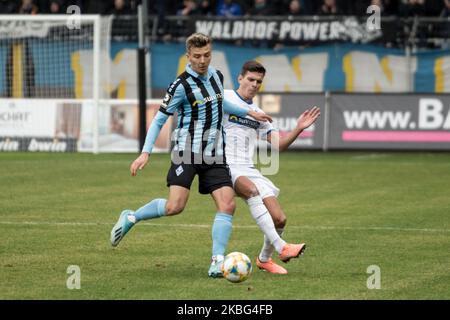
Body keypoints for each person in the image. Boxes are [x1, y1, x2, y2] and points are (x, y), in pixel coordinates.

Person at [110, 33, 273, 278]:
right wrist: (145, 153)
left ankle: (217, 262)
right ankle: (132, 216)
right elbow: (159, 120)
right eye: (196, 56)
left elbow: (221, 104)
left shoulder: (217, 76)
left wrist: (250, 112)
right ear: (188, 56)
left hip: (215, 154)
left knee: (227, 205)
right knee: (175, 206)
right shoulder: (180, 86)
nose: (202, 60)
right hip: (186, 152)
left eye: (206, 55)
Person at [223, 61, 320, 274]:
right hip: (222, 164)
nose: (254, 84)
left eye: (259, 81)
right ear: (240, 78)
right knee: (252, 191)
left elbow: (280, 145)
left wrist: (298, 129)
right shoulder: (225, 98)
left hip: (247, 168)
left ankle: (264, 259)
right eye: (250, 79)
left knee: (280, 219)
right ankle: (282, 247)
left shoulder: (260, 115)